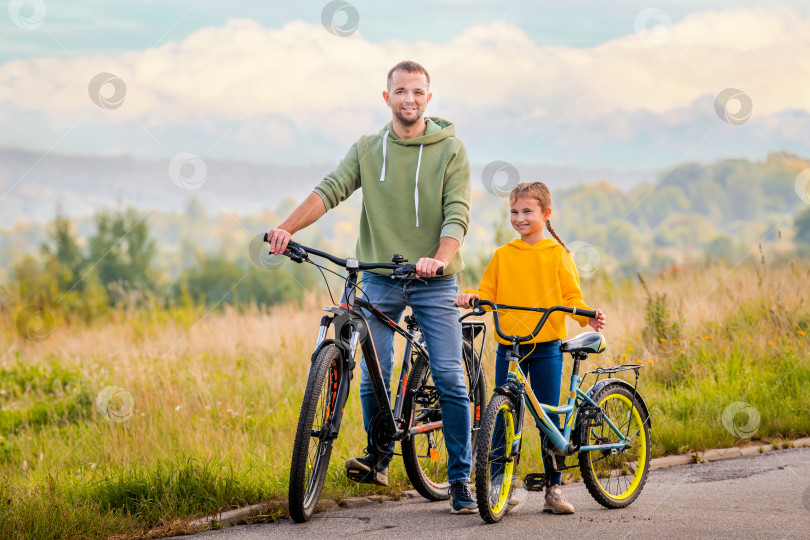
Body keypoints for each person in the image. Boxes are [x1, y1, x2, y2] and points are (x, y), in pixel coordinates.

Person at [266, 60, 477, 514]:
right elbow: (331, 189)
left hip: (431, 281)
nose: (409, 99)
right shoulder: (368, 147)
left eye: (418, 92)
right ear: (387, 98)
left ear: (429, 97)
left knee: (448, 378)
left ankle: (460, 477)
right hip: (378, 276)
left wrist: (438, 261)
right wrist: (285, 229)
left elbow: (457, 213)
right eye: (401, 92)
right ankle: (379, 455)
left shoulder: (450, 150)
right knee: (371, 372)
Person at [455, 181, 606, 515]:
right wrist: (470, 295)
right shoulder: (503, 255)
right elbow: (487, 293)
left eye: (527, 211)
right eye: (514, 212)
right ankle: (498, 486)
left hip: (546, 346)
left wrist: (587, 317)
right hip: (509, 347)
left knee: (547, 418)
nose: (519, 218)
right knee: (500, 418)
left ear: (545, 214)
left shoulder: (558, 255)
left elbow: (571, 298)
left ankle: (554, 488)